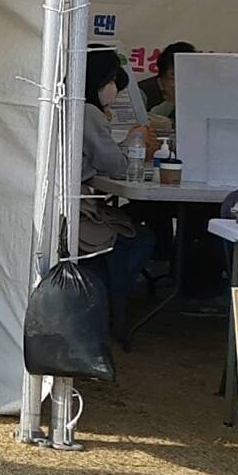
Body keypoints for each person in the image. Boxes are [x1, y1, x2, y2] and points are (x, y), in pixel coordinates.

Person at [82, 49, 159, 304]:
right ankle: (112, 303)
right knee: (141, 238)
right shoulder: (89, 112)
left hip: (74, 207)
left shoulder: (74, 108)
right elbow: (117, 166)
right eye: (112, 81)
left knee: (131, 219)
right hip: (78, 212)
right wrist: (134, 141)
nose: (115, 89)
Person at [143, 41, 195, 119]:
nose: (181, 80)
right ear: (162, 72)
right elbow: (142, 121)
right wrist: (171, 101)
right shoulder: (142, 91)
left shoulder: (196, 90)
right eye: (174, 74)